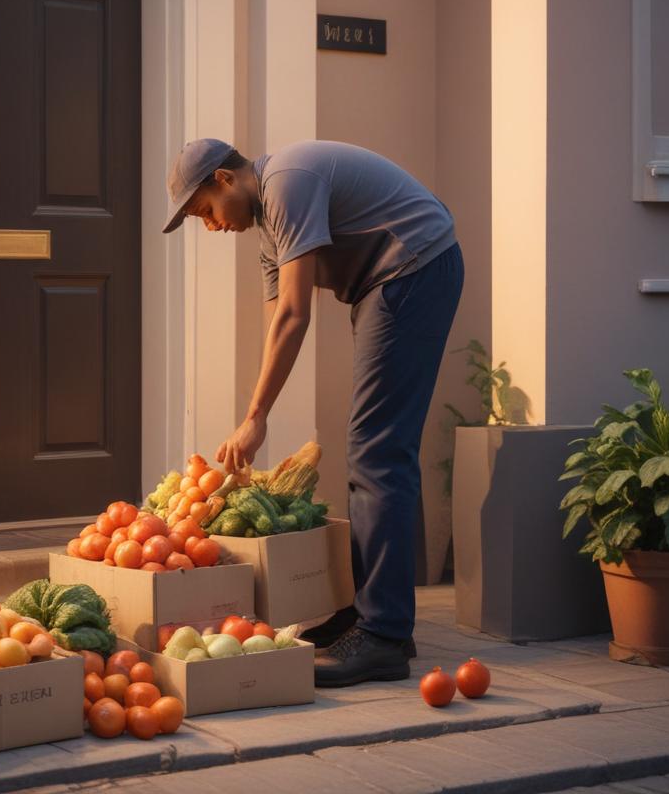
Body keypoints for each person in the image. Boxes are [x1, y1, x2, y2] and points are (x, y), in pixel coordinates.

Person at [163, 137, 464, 687]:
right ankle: (372, 616)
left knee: (378, 450)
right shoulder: (269, 230)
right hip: (389, 280)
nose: (210, 226)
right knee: (372, 448)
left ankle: (384, 636)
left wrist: (256, 418)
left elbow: (296, 314)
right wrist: (255, 413)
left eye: (204, 210)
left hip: (415, 266)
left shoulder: (287, 184)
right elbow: (279, 324)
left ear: (224, 179)